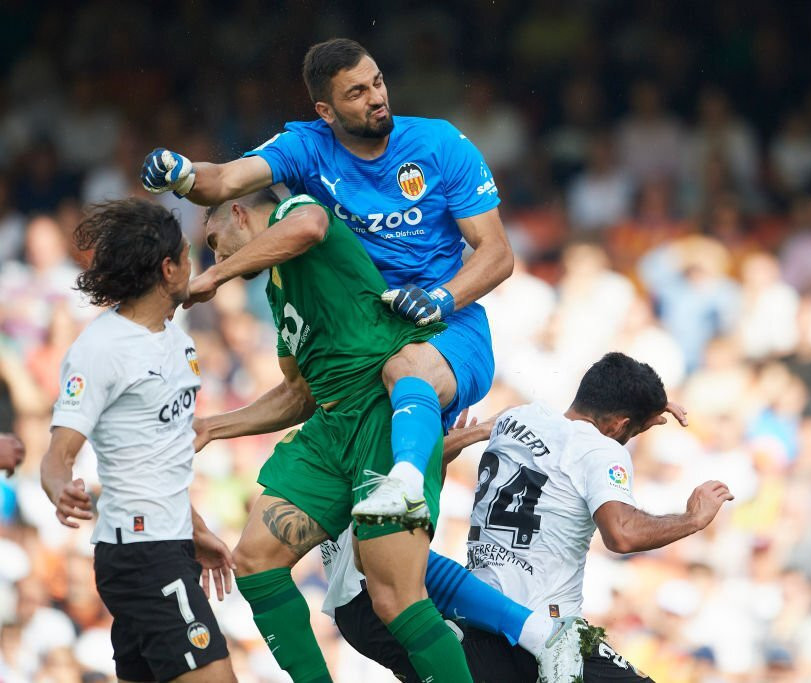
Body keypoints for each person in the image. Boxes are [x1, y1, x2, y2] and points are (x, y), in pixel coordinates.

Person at [195, 190, 581, 682]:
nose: (217, 256)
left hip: (380, 412)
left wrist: (214, 277)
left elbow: (310, 225)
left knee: (393, 596)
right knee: (254, 560)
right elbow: (297, 394)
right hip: (331, 429)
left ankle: (532, 632)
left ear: (238, 212)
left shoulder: (294, 214)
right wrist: (213, 427)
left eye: (214, 242)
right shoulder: (277, 288)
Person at [141, 37, 513, 529]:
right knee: (340, 565)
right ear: (326, 111)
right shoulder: (306, 148)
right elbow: (226, 180)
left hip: (448, 330)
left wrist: (438, 299)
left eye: (377, 82)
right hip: (365, 346)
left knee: (404, 372)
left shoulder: (439, 143)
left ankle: (403, 483)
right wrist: (184, 175)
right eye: (357, 92)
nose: (377, 97)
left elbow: (498, 253)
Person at [322, 352, 733, 682]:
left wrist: (641, 410)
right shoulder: (602, 449)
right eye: (633, 431)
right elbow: (621, 534)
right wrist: (692, 519)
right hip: (546, 630)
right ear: (619, 425)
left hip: (479, 618)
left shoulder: (514, 418)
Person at [38, 199, 236, 683]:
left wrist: (194, 528)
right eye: (187, 257)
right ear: (168, 269)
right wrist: (60, 488)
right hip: (143, 552)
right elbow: (58, 455)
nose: (193, 266)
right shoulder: (100, 348)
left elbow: (161, 456)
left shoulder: (179, 343)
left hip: (168, 544)